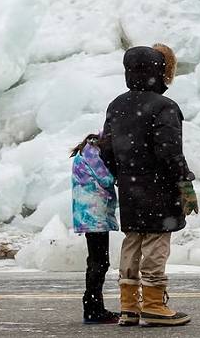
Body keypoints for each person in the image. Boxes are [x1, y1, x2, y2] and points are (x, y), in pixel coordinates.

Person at [99, 44, 193, 327]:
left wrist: (124, 175)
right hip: (159, 188)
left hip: (129, 188)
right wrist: (185, 184)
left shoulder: (116, 105)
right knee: (155, 241)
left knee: (133, 241)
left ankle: (129, 306)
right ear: (159, 72)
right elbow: (169, 152)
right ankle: (153, 304)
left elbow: (106, 150)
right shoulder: (164, 107)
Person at [70, 133, 119, 325]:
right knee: (99, 262)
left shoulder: (85, 152)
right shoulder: (93, 155)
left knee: (97, 261)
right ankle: (93, 309)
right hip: (93, 213)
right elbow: (106, 179)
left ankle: (93, 306)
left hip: (88, 213)